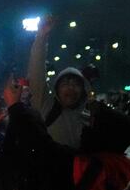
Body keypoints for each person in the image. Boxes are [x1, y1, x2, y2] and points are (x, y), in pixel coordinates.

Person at [27, 15, 92, 149]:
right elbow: (36, 72)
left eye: (76, 84)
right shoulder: (46, 106)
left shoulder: (91, 117)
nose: (70, 88)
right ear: (56, 89)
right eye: (65, 84)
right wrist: (41, 37)